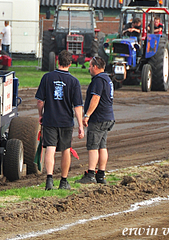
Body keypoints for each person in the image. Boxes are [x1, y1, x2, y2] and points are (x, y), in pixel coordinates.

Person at [36, 50, 84, 190]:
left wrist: (41, 114)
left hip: (50, 119)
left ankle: (49, 180)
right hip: (66, 121)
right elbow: (77, 106)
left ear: (57, 61)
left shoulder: (47, 77)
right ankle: (63, 181)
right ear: (70, 63)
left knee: (50, 148)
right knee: (66, 150)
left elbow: (40, 101)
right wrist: (80, 125)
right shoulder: (74, 82)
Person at [76, 56, 115, 185]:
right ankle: (101, 175)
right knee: (102, 146)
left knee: (93, 146)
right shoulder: (107, 79)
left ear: (96, 67)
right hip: (108, 117)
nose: (89, 68)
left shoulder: (98, 80)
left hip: (98, 118)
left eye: (90, 66)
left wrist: (87, 115)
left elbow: (96, 98)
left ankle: (91, 174)